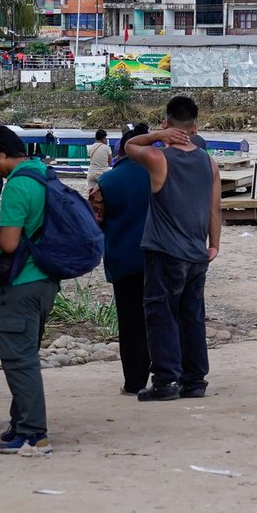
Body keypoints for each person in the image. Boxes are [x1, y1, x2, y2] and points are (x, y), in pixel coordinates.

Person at [126, 96, 221, 402]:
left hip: (164, 251)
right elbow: (214, 209)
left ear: (167, 123)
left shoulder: (159, 159)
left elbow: (129, 146)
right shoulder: (209, 162)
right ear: (195, 127)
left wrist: (156, 135)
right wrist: (214, 245)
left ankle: (166, 380)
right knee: (192, 316)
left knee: (161, 315)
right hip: (196, 253)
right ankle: (195, 380)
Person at [0, 125, 61, 455]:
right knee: (24, 356)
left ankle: (33, 433)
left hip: (22, 284)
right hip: (45, 281)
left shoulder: (18, 185)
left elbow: (9, 244)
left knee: (18, 360)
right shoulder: (43, 174)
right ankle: (19, 424)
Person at [90, 124, 152, 395]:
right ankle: (167, 375)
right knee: (161, 317)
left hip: (122, 258)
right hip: (159, 256)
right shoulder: (160, 175)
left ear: (120, 150)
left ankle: (134, 381)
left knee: (130, 321)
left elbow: (96, 222)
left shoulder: (107, 182)